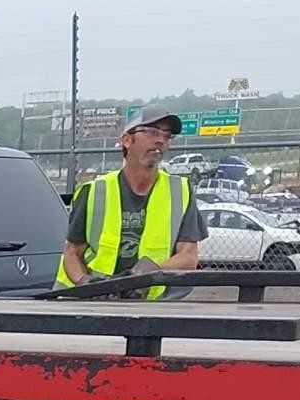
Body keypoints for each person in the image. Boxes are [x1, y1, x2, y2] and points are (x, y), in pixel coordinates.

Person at [58, 109, 202, 297]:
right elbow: (72, 253)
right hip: (94, 305)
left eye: (167, 136)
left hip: (155, 307)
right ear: (127, 140)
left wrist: (145, 275)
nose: (161, 140)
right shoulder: (94, 191)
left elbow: (188, 257)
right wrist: (87, 285)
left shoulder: (180, 191)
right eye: (152, 132)